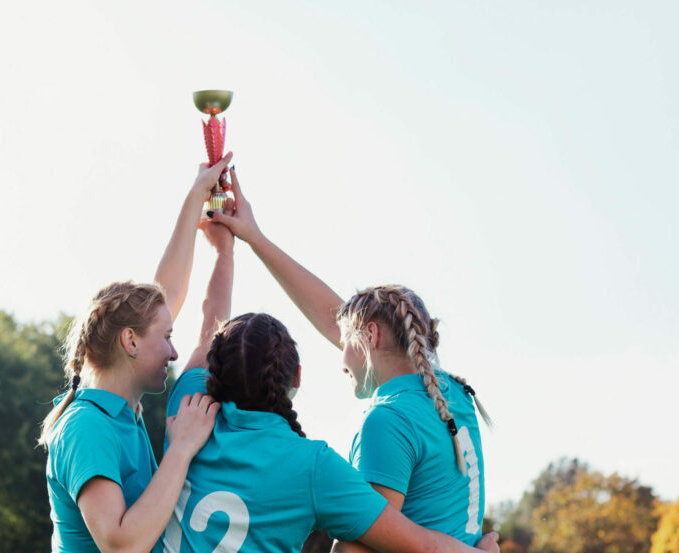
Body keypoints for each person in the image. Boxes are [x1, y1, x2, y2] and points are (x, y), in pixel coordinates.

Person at [161, 210, 498, 553]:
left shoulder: (389, 420)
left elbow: (358, 549)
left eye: (344, 338)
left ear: (371, 336)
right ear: (295, 375)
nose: (339, 350)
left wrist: (232, 246)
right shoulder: (454, 395)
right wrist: (254, 237)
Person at [39, 153, 232, 553]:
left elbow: (167, 295)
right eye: (166, 337)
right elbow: (121, 546)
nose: (174, 352)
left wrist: (201, 204)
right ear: (130, 342)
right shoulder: (87, 425)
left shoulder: (121, 413)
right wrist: (180, 449)